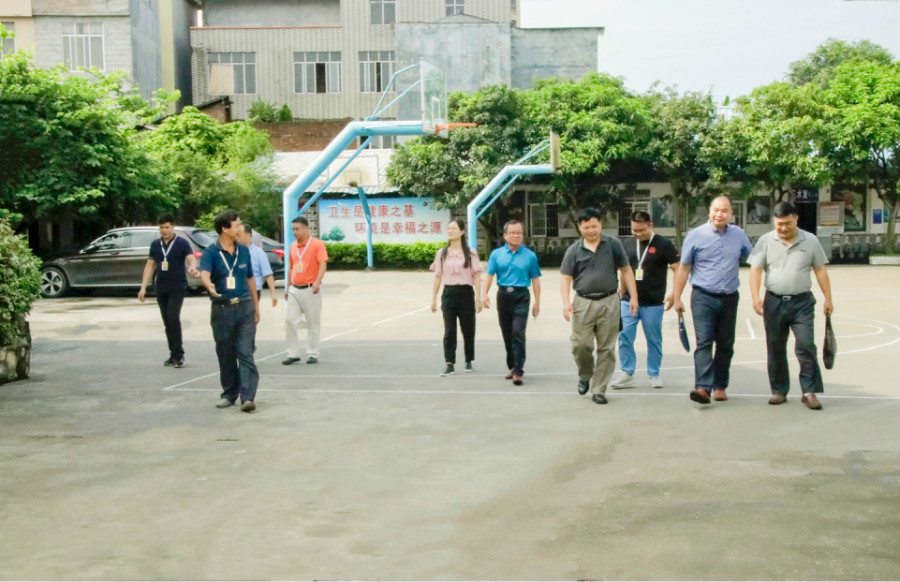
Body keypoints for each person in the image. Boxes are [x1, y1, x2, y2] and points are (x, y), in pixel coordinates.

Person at [749, 201, 834, 410]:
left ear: (796, 219)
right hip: (774, 302)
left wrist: (828, 298)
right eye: (779, 224)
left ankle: (809, 391)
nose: (783, 228)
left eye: (787, 223)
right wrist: (755, 296)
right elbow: (755, 270)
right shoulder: (766, 241)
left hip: (802, 303)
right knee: (775, 347)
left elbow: (820, 270)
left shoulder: (810, 240)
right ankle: (779, 390)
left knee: (806, 345)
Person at [669, 196, 754, 404]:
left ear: (731, 213)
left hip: (729, 297)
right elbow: (684, 268)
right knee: (704, 342)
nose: (719, 214)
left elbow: (753, 259)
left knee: (725, 344)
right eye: (716, 210)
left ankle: (720, 386)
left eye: (724, 211)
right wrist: (677, 297)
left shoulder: (738, 234)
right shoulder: (695, 236)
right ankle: (702, 388)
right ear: (709, 211)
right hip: (702, 297)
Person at [560, 208, 638, 405]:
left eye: (594, 226)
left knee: (607, 348)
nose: (591, 231)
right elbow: (566, 277)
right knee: (581, 345)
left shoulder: (613, 244)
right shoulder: (574, 250)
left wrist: (633, 297)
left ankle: (599, 389)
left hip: (609, 301)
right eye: (586, 227)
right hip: (583, 302)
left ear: (601, 224)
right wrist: (566, 303)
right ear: (580, 227)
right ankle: (585, 375)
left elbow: (626, 270)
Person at [610, 211, 680, 390]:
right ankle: (627, 373)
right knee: (625, 336)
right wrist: (621, 296)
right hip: (628, 301)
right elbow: (624, 271)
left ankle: (654, 373)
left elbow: (677, 269)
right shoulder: (627, 244)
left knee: (653, 339)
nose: (638, 234)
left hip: (653, 302)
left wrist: (675, 294)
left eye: (641, 230)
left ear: (651, 225)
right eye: (634, 230)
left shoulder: (664, 244)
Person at [199, 209, 260, 413]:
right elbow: (204, 273)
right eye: (237, 225)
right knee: (225, 353)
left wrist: (256, 306)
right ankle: (229, 394)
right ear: (225, 229)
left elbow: (250, 278)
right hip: (222, 309)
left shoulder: (244, 250)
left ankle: (248, 397)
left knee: (245, 352)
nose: (241, 228)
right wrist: (208, 284)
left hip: (244, 307)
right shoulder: (211, 252)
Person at [482, 220, 541, 386]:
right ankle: (512, 366)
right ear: (505, 235)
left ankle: (518, 370)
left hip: (521, 296)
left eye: (519, 233)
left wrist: (537, 302)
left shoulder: (530, 256)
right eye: (513, 232)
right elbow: (489, 275)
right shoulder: (496, 254)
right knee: (507, 333)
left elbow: (535, 279)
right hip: (503, 296)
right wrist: (483, 294)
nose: (516, 235)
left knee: (518, 332)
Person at [138, 214, 199, 368]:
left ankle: (179, 355)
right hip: (161, 286)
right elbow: (150, 266)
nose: (164, 230)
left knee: (173, 318)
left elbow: (191, 258)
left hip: (177, 286)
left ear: (173, 227)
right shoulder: (155, 245)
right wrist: (143, 287)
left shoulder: (182, 243)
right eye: (161, 228)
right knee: (167, 321)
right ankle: (173, 354)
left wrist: (192, 267)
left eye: (167, 227)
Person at [430, 219, 484, 376]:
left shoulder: (470, 253)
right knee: (449, 330)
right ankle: (449, 363)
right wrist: (434, 298)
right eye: (449, 228)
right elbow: (438, 276)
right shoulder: (442, 253)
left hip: (466, 293)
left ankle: (468, 360)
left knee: (468, 329)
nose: (450, 231)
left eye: (454, 228)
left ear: (462, 231)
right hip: (449, 293)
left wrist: (478, 298)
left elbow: (476, 275)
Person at [283, 216, 328, 366]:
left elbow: (323, 264)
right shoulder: (292, 246)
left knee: (313, 322)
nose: (294, 232)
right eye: (293, 229)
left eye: (297, 229)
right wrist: (288, 287)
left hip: (311, 289)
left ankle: (312, 353)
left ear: (306, 228)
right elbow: (291, 267)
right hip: (294, 289)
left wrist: (317, 282)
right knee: (290, 320)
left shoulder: (317, 244)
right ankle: (293, 353)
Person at [240, 224, 277, 307]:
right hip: (238, 291)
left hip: (253, 292)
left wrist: (273, 293)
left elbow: (268, 274)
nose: (237, 236)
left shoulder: (259, 253)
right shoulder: (234, 252)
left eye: (240, 234)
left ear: (248, 235)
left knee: (251, 314)